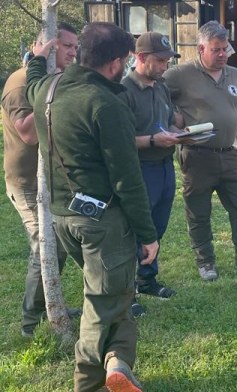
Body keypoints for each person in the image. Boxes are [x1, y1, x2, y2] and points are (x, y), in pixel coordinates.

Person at [27, 22, 159, 391]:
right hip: (103, 221)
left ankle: (118, 364)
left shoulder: (47, 90)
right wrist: (148, 235)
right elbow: (127, 179)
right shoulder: (107, 104)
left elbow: (33, 77)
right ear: (116, 63)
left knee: (116, 290)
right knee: (101, 303)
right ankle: (88, 384)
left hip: (63, 216)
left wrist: (36, 58)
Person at [163, 21, 237, 282]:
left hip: (230, 155)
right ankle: (206, 262)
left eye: (226, 49)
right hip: (197, 156)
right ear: (201, 48)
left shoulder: (234, 74)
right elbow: (155, 97)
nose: (223, 54)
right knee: (198, 211)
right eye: (217, 50)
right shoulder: (179, 75)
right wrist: (172, 123)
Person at [2, 22, 79, 338]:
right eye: (67, 47)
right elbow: (28, 132)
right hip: (27, 181)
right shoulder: (20, 83)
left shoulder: (56, 79)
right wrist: (48, 89)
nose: (73, 53)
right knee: (45, 246)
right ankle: (30, 324)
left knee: (60, 243)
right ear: (46, 47)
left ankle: (53, 303)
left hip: (53, 177)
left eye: (76, 47)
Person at [119, 32, 185, 316]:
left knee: (157, 227)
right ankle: (126, 292)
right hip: (139, 169)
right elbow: (119, 139)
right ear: (140, 57)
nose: (165, 66)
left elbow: (168, 119)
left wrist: (179, 131)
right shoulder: (123, 91)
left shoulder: (161, 87)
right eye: (160, 60)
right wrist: (154, 140)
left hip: (164, 165)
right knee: (135, 232)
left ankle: (147, 280)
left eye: (168, 60)